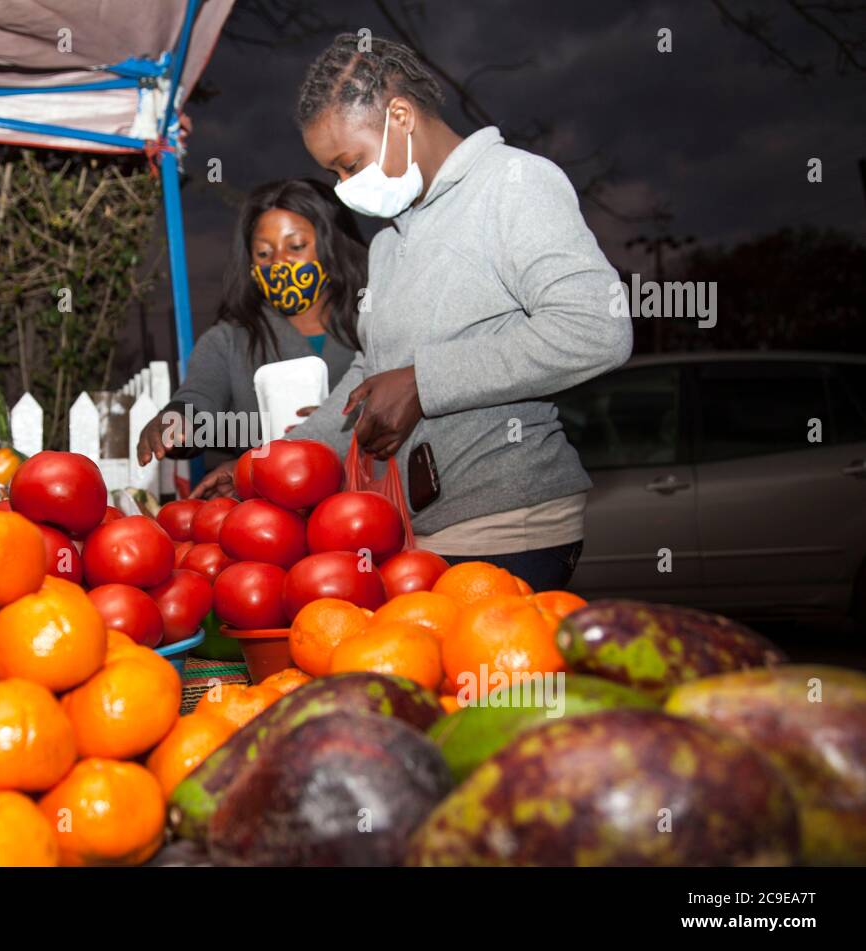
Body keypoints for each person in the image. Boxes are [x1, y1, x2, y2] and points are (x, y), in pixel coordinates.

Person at [193, 34, 632, 591]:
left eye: (350, 164)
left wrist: (424, 382)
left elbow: (597, 327)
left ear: (400, 115)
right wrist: (266, 464)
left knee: (495, 680)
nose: (345, 188)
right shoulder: (389, 241)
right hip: (419, 531)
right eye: (334, 174)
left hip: (507, 527)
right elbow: (369, 376)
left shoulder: (513, 185)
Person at [135, 178, 367, 469]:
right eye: (264, 254)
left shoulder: (372, 324)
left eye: (295, 246)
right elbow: (200, 397)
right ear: (251, 263)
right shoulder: (229, 339)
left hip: (369, 502)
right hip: (272, 505)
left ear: (332, 245)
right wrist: (174, 423)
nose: (280, 263)